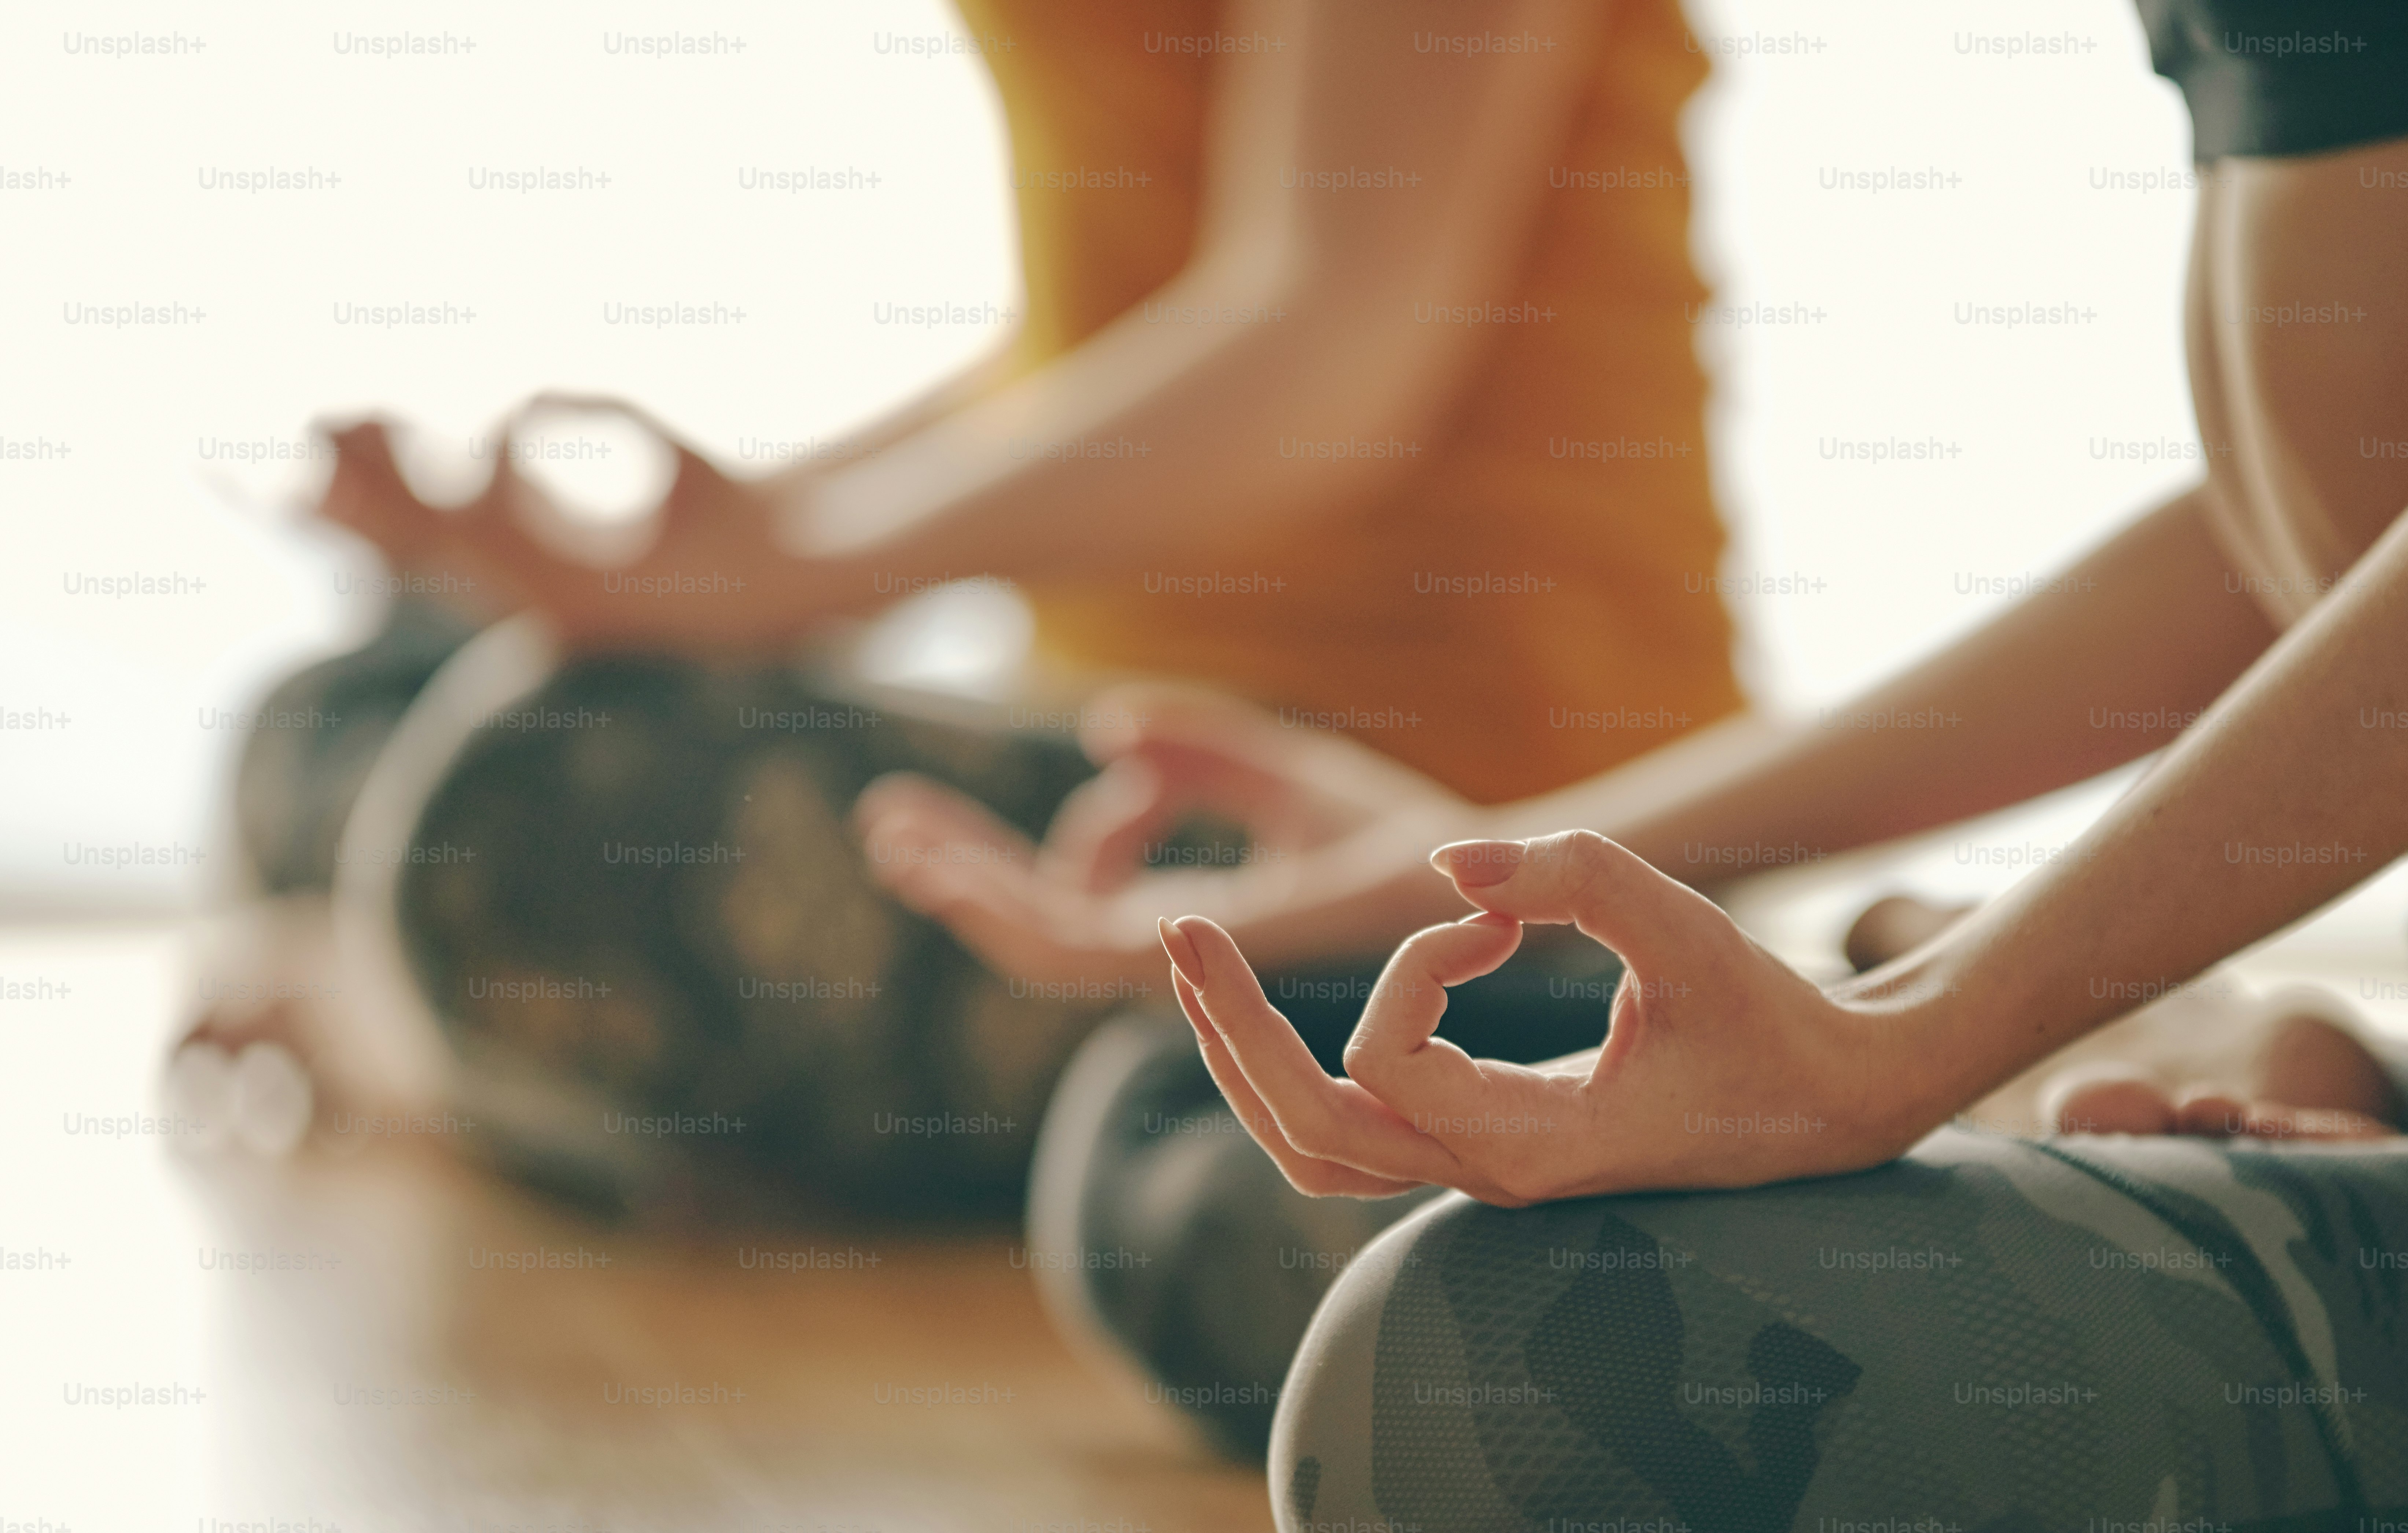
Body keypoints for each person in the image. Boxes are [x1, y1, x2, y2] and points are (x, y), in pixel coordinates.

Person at [945, 1, 2408, 1533]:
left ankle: (2215, 1089)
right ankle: (2279, 1085)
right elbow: (2351, 511)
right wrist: (1490, 858)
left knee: (1491, 1396)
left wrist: (1921, 1038)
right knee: (1188, 1139)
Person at [212, 0, 1737, 1220]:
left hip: (1450, 776)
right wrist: (701, 557)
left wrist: (787, 577)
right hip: (1114, 716)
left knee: (504, 827)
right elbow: (1097, 343)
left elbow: (1327, 340)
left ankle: (415, 1034)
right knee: (333, 720)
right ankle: (469, 1020)